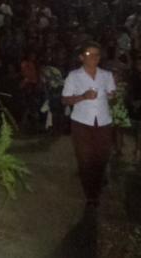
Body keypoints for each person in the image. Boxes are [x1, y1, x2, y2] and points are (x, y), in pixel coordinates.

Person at [62, 41, 116, 208]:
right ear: (81, 57)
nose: (93, 57)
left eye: (97, 55)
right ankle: (91, 195)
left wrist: (112, 96)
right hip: (82, 122)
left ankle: (97, 183)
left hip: (104, 121)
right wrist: (83, 96)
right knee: (85, 159)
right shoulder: (74, 76)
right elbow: (65, 100)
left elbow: (112, 95)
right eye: (89, 54)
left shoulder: (106, 75)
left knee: (101, 157)